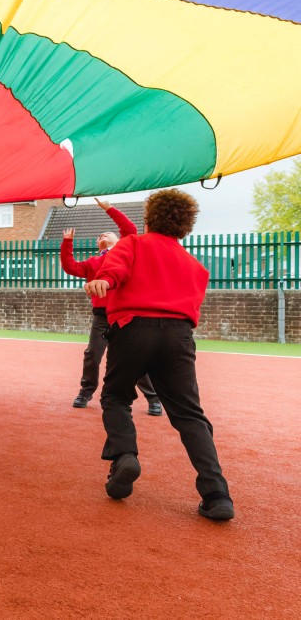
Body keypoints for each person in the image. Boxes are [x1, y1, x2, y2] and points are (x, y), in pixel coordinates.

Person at [84, 189, 233, 521]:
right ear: (185, 226)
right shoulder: (195, 266)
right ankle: (216, 493)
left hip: (133, 328)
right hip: (179, 337)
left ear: (149, 218)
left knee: (116, 397)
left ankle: (125, 457)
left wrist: (104, 282)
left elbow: (115, 269)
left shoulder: (133, 243)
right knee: (190, 415)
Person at [60, 198, 162, 416]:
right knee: (92, 355)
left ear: (119, 239)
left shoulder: (125, 251)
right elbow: (69, 267)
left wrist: (108, 208)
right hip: (101, 317)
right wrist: (67, 242)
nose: (102, 236)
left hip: (125, 316)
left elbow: (130, 228)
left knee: (133, 356)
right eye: (99, 236)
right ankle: (85, 392)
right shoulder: (92, 263)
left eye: (108, 233)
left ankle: (153, 398)